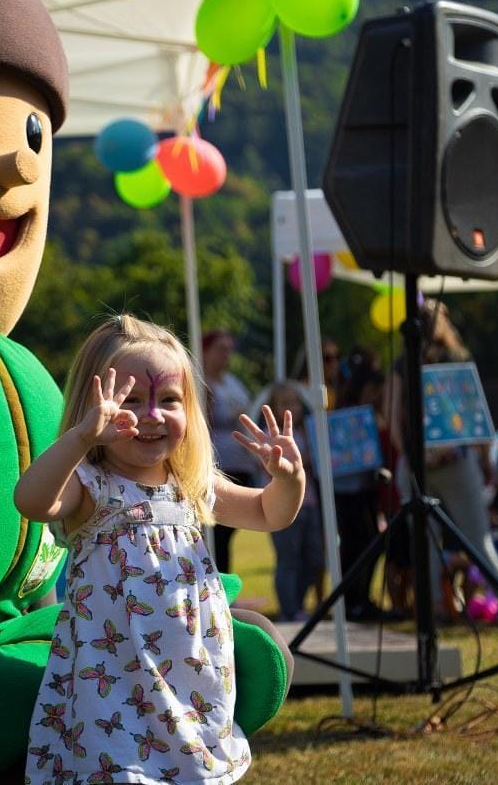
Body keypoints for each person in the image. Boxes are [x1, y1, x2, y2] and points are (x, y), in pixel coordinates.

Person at [16, 316, 304, 783]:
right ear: (95, 407)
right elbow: (31, 501)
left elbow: (270, 514)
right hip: (111, 675)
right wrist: (81, 438)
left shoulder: (190, 485)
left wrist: (289, 479)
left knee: (185, 768)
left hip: (187, 672)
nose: (152, 415)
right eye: (130, 401)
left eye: (169, 400)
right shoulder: (91, 485)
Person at [390, 300, 498, 618]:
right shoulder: (457, 359)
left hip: (416, 465)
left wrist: (410, 457)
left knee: (424, 545)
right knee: (479, 540)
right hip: (456, 462)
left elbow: (393, 415)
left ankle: (432, 608)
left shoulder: (403, 363)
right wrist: (484, 457)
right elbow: (474, 415)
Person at [262, 381, 325, 622]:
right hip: (283, 506)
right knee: (288, 558)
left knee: (314, 558)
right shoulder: (271, 436)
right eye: (285, 403)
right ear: (274, 407)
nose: (292, 409)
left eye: (295, 402)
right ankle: (290, 610)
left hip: (310, 503)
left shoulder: (308, 431)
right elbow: (271, 468)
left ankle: (296, 604)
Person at [331, 351, 387, 621]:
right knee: (355, 545)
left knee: (369, 542)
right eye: (374, 390)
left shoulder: (370, 413)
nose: (377, 396)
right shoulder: (345, 412)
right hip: (347, 490)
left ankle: (361, 597)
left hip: (364, 487)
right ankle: (352, 600)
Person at [202, 330, 256, 573]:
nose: (227, 354)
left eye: (229, 349)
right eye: (220, 348)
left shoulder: (232, 381)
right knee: (219, 531)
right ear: (206, 351)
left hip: (241, 462)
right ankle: (218, 577)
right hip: (219, 462)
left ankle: (222, 577)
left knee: (228, 529)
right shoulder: (203, 383)